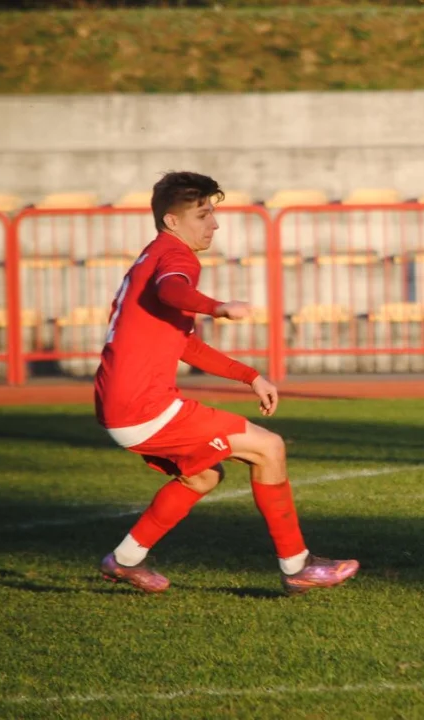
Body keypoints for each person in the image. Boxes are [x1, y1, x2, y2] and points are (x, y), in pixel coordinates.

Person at [93, 171, 359, 594]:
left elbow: (185, 346)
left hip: (120, 404)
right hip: (145, 406)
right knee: (268, 447)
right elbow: (172, 292)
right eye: (202, 215)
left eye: (213, 213)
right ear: (172, 221)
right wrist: (219, 307)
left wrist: (249, 376)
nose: (213, 224)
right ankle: (298, 567)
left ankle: (123, 560)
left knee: (203, 477)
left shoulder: (153, 254)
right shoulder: (176, 259)